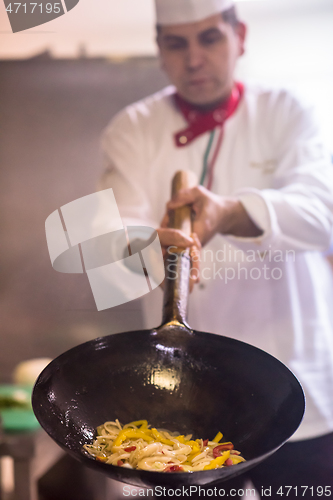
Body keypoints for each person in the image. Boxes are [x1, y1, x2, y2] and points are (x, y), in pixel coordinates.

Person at [100, 0, 333, 497]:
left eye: (210, 39)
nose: (195, 59)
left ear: (240, 37)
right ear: (159, 50)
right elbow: (110, 250)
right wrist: (144, 245)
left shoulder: (287, 110)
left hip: (297, 385)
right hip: (184, 397)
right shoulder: (132, 127)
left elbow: (323, 213)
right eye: (177, 43)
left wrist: (230, 212)